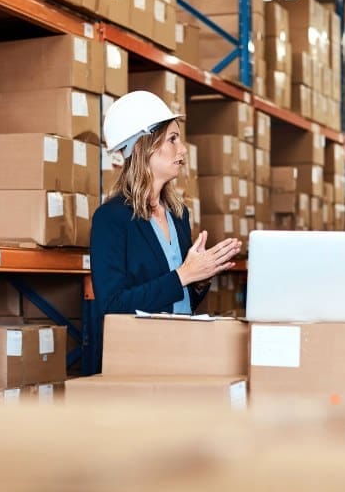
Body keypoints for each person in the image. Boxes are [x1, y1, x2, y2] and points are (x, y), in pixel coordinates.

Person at [91, 90, 242, 323]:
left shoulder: (179, 215)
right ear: (142, 146)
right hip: (137, 352)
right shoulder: (111, 219)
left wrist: (199, 278)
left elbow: (181, 301)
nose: (182, 149)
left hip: (179, 345)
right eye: (172, 139)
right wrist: (184, 274)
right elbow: (112, 304)